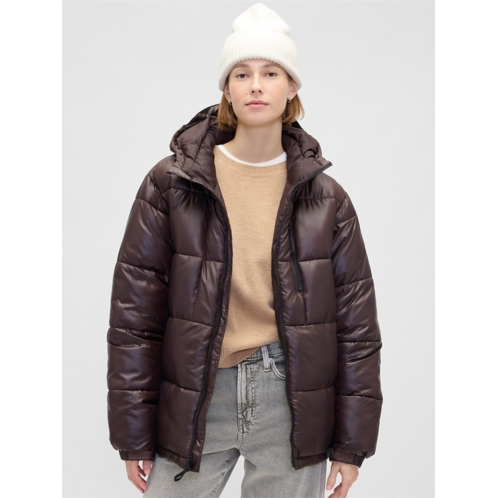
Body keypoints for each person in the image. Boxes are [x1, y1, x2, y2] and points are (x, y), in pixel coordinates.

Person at [106, 3, 383, 497]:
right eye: (242, 73)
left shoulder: (327, 199)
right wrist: (132, 435)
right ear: (227, 89)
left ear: (292, 86)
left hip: (290, 399)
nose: (256, 85)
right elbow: (134, 317)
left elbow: (356, 329)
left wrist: (350, 445)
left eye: (271, 72)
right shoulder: (171, 184)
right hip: (196, 392)